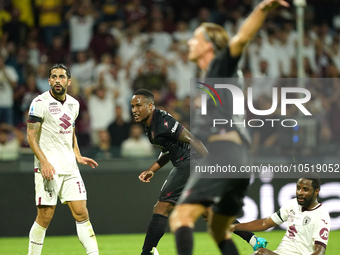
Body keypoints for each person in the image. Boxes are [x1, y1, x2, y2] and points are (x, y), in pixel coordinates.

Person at [169, 1, 290, 255]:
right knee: (218, 229)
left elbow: (242, 38)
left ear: (209, 44)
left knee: (180, 218)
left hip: (225, 153)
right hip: (240, 159)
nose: (189, 42)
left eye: (195, 38)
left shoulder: (221, 66)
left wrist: (262, 8)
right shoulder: (218, 76)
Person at [131, 89, 263, 255]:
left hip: (189, 164)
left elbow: (192, 139)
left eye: (138, 105)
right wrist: (152, 170)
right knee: (209, 213)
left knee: (161, 208)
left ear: (150, 105)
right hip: (187, 164)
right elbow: (168, 150)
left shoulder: (162, 121)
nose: (134, 110)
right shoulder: (151, 125)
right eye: (132, 106)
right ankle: (253, 239)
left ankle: (147, 252)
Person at [26, 64, 99, 255]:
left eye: (61, 77)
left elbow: (70, 131)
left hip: (70, 167)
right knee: (45, 216)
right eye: (54, 77)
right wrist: (44, 161)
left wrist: (77, 154)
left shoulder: (74, 104)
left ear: (69, 81)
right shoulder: (39, 102)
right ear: (49, 80)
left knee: (82, 212)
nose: (57, 80)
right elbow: (31, 136)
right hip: (48, 168)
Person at [230, 174, 330, 255]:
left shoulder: (321, 216)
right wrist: (234, 227)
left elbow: (320, 252)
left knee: (261, 253)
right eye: (298, 188)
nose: (300, 192)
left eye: (305, 189)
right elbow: (266, 223)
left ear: (316, 191)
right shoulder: (293, 204)